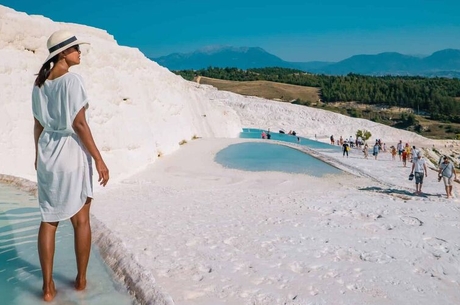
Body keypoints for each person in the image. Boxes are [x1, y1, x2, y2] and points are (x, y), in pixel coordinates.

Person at [32, 30, 109, 302]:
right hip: (71, 153)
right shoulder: (72, 81)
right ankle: (81, 280)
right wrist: (99, 159)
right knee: (81, 219)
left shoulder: (40, 84)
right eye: (75, 48)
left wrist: (37, 155)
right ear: (63, 53)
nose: (80, 52)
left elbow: (38, 124)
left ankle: (48, 287)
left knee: (49, 219)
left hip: (48, 152)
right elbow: (79, 124)